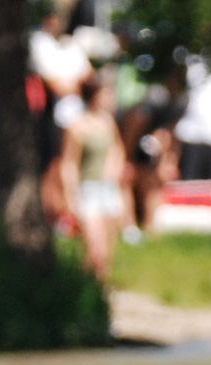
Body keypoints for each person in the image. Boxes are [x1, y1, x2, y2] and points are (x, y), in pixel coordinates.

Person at [61, 77, 125, 283]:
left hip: (108, 189)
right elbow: (68, 163)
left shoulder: (108, 122)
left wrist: (114, 168)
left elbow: (118, 149)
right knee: (95, 250)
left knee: (107, 253)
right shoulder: (77, 127)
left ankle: (100, 292)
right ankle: (85, 288)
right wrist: (70, 196)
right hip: (88, 190)